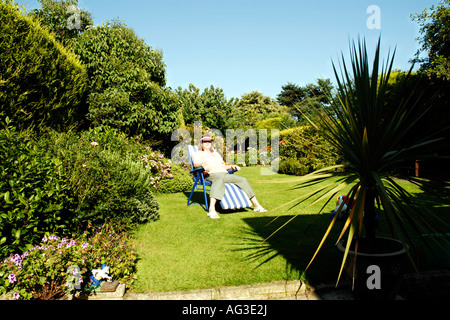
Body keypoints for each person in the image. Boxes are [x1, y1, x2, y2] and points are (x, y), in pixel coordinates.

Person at [192, 136, 267, 219]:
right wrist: (202, 164)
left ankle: (256, 205)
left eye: (209, 142)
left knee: (242, 180)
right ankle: (211, 209)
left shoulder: (215, 154)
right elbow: (195, 164)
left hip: (224, 173)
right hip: (210, 175)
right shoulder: (198, 153)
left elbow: (223, 165)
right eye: (205, 141)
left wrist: (231, 166)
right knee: (219, 179)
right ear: (201, 143)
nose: (207, 143)